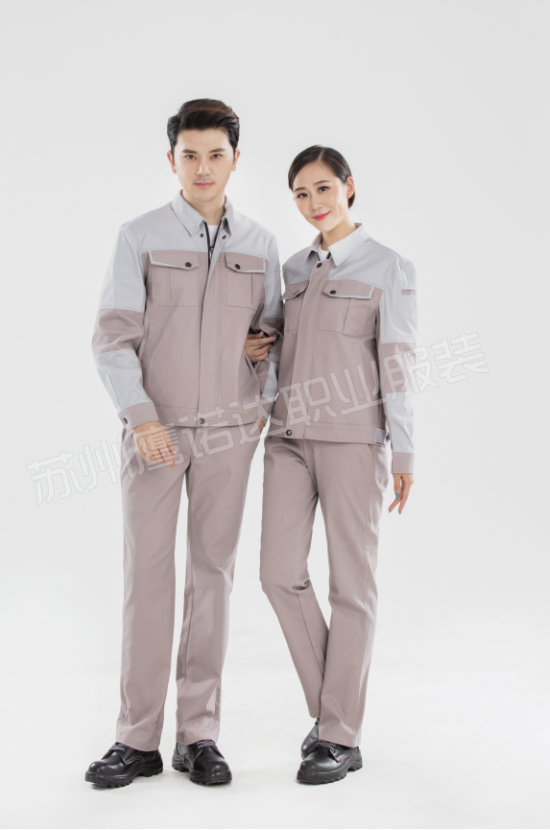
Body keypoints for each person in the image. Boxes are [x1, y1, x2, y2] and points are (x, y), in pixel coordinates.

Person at [85, 99, 282, 788]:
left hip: (229, 434)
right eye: (189, 155)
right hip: (156, 434)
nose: (203, 167)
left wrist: (258, 406)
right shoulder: (138, 236)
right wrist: (140, 417)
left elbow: (274, 336)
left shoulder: (260, 244)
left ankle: (198, 735)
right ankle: (135, 738)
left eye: (215, 154)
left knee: (212, 579)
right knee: (148, 579)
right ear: (171, 160)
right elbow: (113, 338)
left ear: (235, 160)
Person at [249, 145, 417, 785]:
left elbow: (396, 363)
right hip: (288, 438)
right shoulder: (293, 269)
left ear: (349, 186)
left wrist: (404, 449)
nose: (313, 203)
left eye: (323, 188)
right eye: (300, 193)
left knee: (351, 587)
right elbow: (276, 353)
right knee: (277, 574)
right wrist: (258, 382)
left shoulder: (389, 266)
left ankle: (338, 735)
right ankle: (333, 715)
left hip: (354, 441)